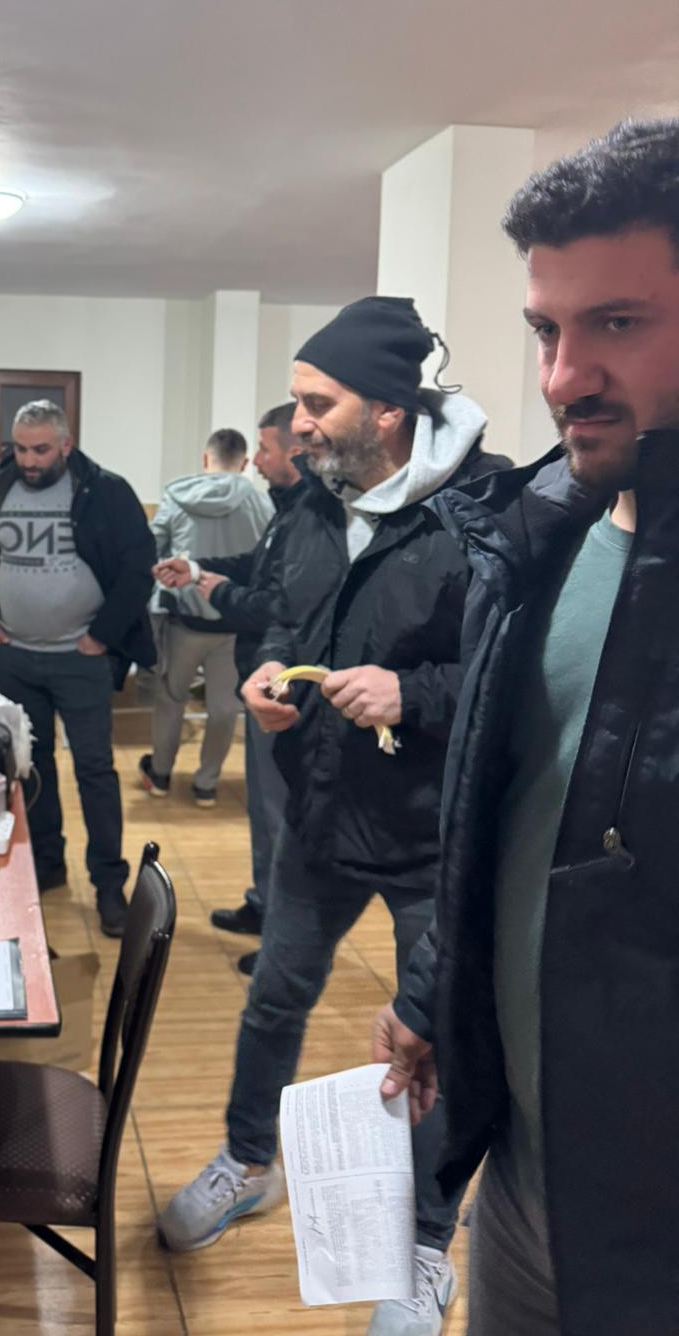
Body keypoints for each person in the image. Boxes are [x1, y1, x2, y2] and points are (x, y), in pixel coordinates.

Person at [373, 119, 679, 1336]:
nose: (561, 377)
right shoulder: (536, 537)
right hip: (521, 1178)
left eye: (619, 322)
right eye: (548, 330)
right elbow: (510, 810)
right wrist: (435, 992)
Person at [159, 297, 508, 1336]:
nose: (298, 423)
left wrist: (415, 693)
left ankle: (425, 1246)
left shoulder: (485, 511)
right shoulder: (314, 501)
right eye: (298, 402)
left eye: (318, 402)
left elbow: (517, 677)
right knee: (275, 999)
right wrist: (269, 672)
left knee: (430, 1041)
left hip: (431, 836)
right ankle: (247, 1160)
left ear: (389, 410)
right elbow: (282, 614)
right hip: (317, 815)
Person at [0, 400, 156, 937]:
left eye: (41, 449)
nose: (29, 460)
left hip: (80, 657)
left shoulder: (105, 490)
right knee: (34, 767)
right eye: (21, 448)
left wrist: (102, 635)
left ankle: (109, 885)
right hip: (16, 656)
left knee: (95, 770)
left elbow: (137, 569)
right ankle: (47, 864)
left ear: (66, 445)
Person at [153, 403, 303, 963]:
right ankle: (264, 904)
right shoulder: (280, 507)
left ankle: (283, 937)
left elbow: (277, 605)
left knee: (280, 814)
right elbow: (257, 563)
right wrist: (197, 570)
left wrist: (215, 590)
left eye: (265, 450)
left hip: (282, 677)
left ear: (296, 452)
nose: (256, 462)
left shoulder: (314, 516)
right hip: (254, 664)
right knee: (263, 807)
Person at [139, 427, 272, 805]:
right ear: (244, 464)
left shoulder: (176, 497)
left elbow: (153, 547)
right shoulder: (263, 505)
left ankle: (160, 774)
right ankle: (206, 785)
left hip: (185, 621)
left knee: (171, 697)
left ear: (205, 459)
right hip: (237, 621)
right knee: (225, 708)